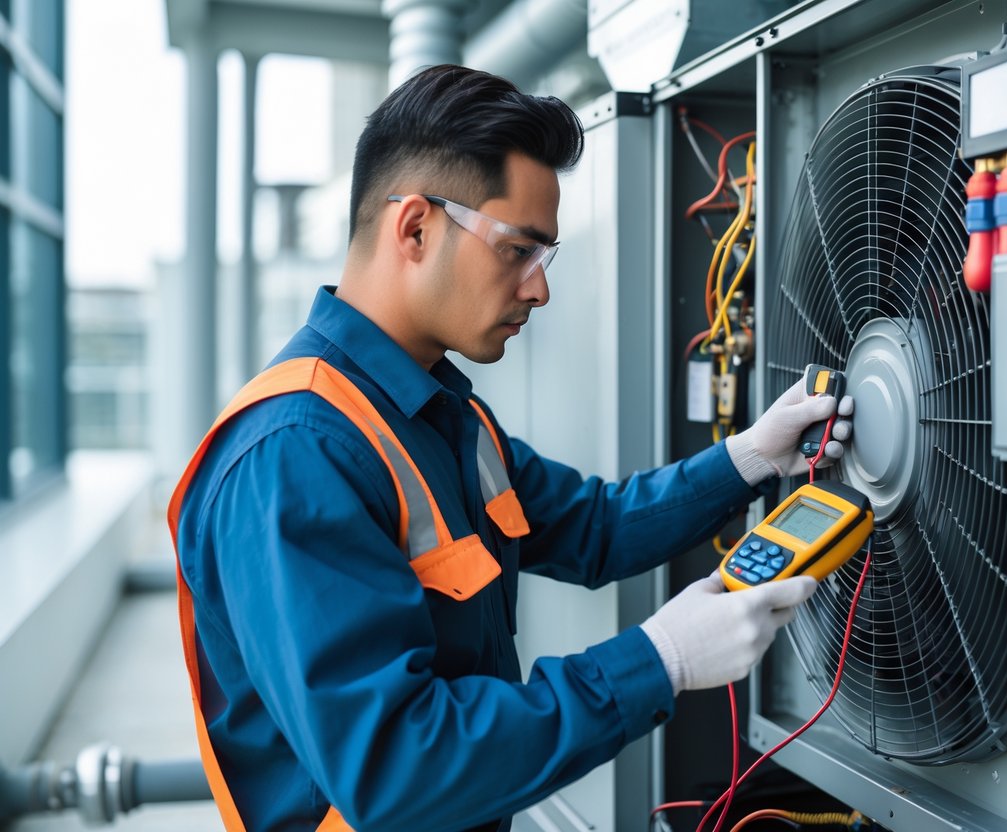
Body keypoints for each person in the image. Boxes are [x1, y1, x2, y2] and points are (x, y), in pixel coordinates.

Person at [169, 64, 853, 832]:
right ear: (416, 227)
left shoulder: (442, 414)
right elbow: (396, 767)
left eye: (545, 257)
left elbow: (592, 527)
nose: (538, 289)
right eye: (517, 250)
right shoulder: (295, 455)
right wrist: (655, 661)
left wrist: (753, 457)